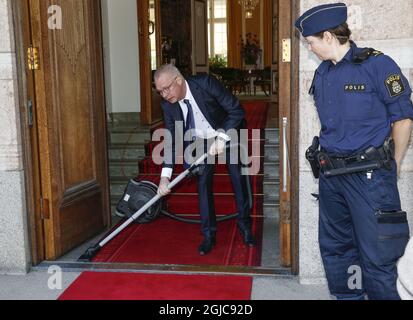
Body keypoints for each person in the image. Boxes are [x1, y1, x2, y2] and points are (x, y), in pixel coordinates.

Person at [296, 3, 413, 300]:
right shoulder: (322, 74)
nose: (310, 49)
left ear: (328, 36)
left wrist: (395, 164)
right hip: (332, 177)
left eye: (311, 42)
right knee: (338, 252)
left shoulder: (377, 65)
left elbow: (402, 118)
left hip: (369, 178)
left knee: (378, 257)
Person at [154, 64, 256, 256]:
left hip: (228, 129)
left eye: (167, 88)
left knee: (237, 178)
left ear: (179, 80)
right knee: (202, 182)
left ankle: (245, 227)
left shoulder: (206, 84)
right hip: (198, 139)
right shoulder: (168, 105)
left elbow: (236, 110)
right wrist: (164, 177)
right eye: (160, 91)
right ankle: (209, 235)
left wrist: (221, 137)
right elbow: (172, 140)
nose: (165, 95)